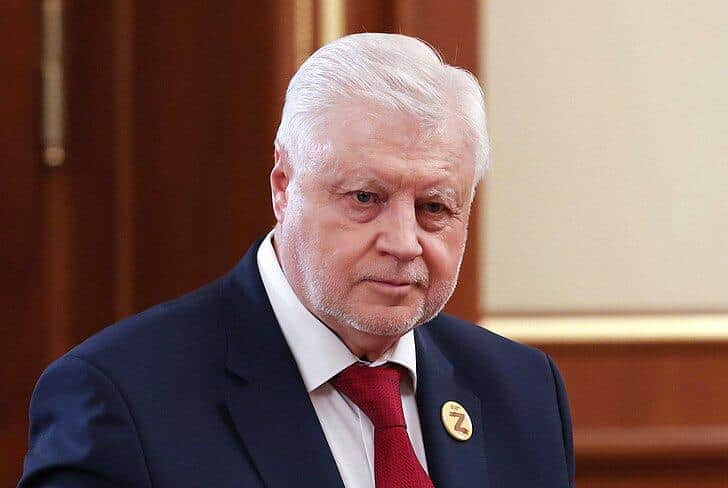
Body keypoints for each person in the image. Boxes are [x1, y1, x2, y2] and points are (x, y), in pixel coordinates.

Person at [19, 33, 574, 488]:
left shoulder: (522, 391)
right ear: (283, 186)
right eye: (365, 198)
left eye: (434, 208)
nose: (404, 242)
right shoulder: (123, 398)